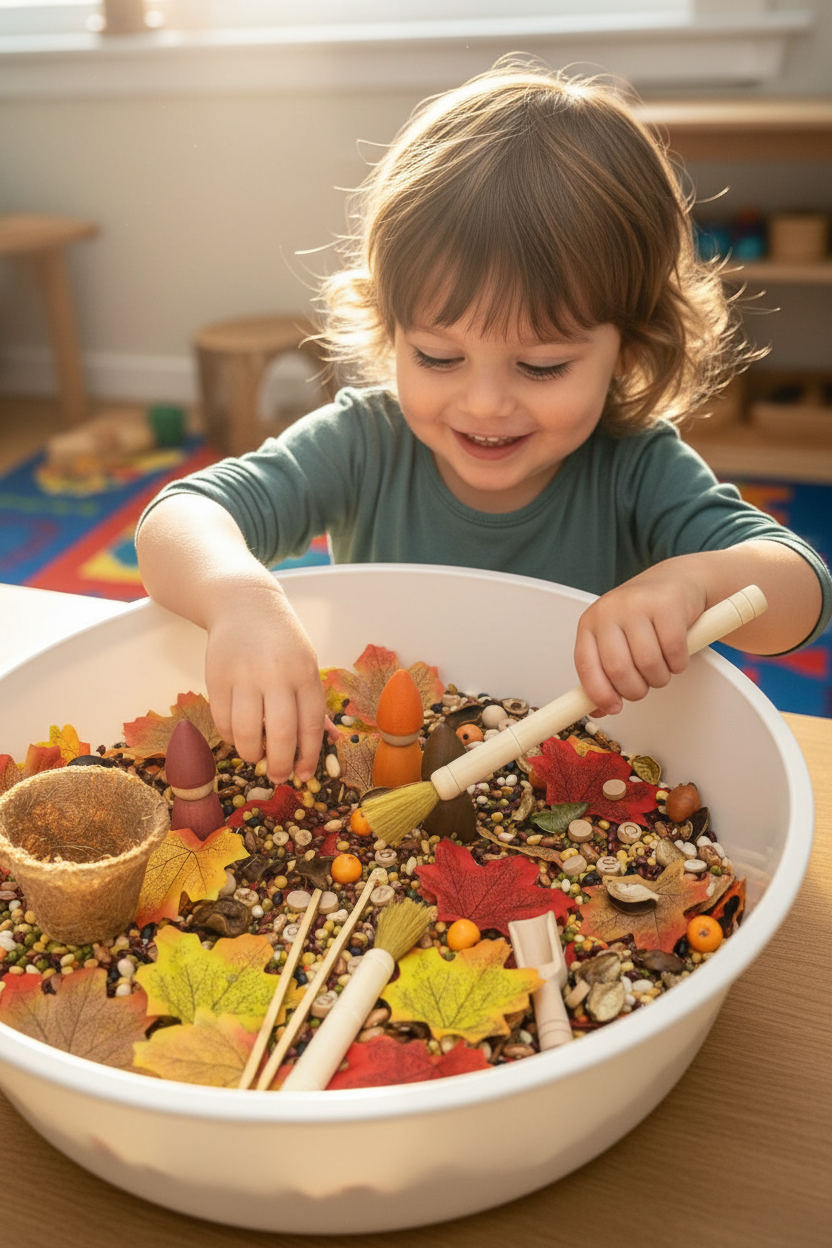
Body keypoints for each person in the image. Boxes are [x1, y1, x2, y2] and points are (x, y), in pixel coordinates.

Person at [137, 59, 831, 785]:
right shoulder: (366, 442)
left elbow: (804, 592)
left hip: (579, 779)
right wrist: (239, 599)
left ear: (628, 348)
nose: (485, 404)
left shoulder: (637, 467)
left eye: (540, 367)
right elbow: (180, 516)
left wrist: (692, 584)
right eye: (438, 356)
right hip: (382, 765)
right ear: (392, 328)